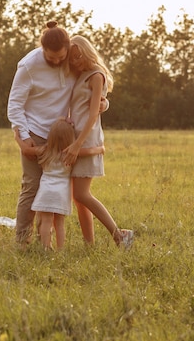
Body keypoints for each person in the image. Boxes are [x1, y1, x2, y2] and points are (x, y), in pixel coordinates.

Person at [7, 21, 76, 245]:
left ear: (67, 49)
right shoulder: (28, 65)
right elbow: (15, 104)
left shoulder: (74, 61)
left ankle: (43, 242)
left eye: (60, 58)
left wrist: (102, 102)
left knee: (58, 186)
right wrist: (24, 139)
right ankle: (22, 241)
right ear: (42, 48)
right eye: (51, 57)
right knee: (32, 186)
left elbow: (91, 87)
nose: (56, 62)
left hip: (62, 134)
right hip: (34, 132)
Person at [63, 35, 134, 249]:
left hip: (87, 137)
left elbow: (94, 113)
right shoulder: (80, 74)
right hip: (76, 136)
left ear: (87, 52)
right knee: (78, 198)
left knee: (82, 194)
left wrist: (77, 144)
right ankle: (89, 245)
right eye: (72, 59)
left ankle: (120, 235)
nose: (75, 62)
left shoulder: (96, 75)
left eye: (78, 57)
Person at [14, 118, 104, 250]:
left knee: (46, 221)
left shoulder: (44, 150)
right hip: (61, 193)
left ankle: (45, 248)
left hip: (45, 192)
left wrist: (17, 137)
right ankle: (60, 250)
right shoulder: (69, 154)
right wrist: (100, 149)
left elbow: (26, 150)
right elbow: (89, 151)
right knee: (59, 223)